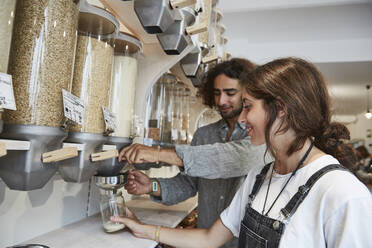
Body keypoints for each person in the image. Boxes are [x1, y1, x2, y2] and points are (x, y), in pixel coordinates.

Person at [113, 57, 372, 247]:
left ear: (280, 108)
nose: (241, 117)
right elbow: (210, 237)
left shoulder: (343, 193)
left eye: (247, 106)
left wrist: (157, 153)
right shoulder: (260, 178)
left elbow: (231, 157)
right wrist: (145, 229)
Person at [123, 58, 262, 248]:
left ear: (248, 94)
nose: (221, 101)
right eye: (216, 93)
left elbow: (229, 158)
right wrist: (152, 185)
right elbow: (189, 183)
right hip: (204, 240)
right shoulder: (205, 134)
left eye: (230, 93)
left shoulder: (259, 134)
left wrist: (156, 153)